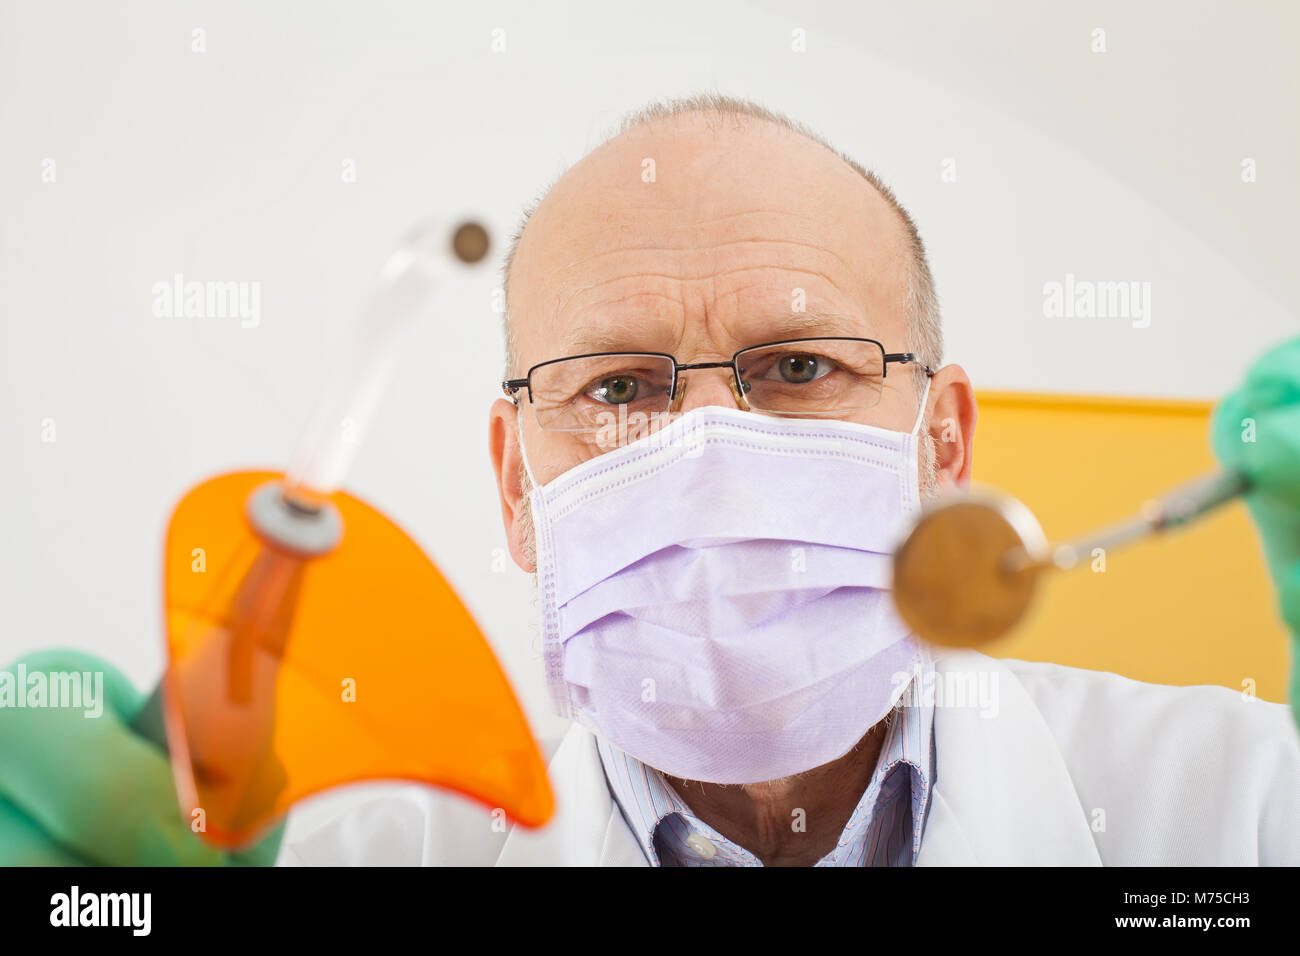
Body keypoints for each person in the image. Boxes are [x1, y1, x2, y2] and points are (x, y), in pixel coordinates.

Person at [2, 94, 1297, 866]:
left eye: (797, 365)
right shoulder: (356, 858)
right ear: (517, 482)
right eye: (617, 389)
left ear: (943, 446)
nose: (711, 454)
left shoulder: (1233, 808)